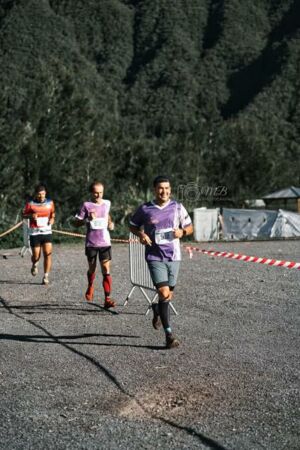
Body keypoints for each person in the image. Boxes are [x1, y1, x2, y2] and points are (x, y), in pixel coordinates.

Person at [129, 175, 193, 349]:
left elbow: (189, 227)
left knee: (168, 296)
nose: (164, 191)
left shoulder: (178, 207)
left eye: (167, 188)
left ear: (170, 189)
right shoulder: (145, 208)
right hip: (154, 257)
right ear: (155, 189)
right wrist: (141, 234)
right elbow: (132, 225)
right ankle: (169, 336)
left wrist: (182, 232)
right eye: (160, 188)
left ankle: (157, 309)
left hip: (174, 257)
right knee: (164, 293)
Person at [74, 181, 116, 308]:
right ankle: (90, 285)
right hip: (91, 243)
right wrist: (88, 219)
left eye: (101, 193)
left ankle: (107, 298)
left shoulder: (107, 203)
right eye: (96, 193)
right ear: (92, 193)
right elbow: (76, 223)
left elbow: (107, 215)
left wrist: (110, 223)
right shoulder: (86, 205)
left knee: (106, 270)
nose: (98, 195)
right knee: (92, 269)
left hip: (105, 242)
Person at [22, 184, 55, 285]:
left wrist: (52, 219)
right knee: (36, 255)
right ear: (36, 194)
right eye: (39, 194)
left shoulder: (50, 202)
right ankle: (34, 264)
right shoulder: (30, 203)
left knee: (48, 254)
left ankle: (46, 276)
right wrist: (31, 216)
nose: (41, 196)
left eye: (43, 194)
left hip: (47, 231)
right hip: (35, 232)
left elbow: (53, 213)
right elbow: (23, 215)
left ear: (45, 193)